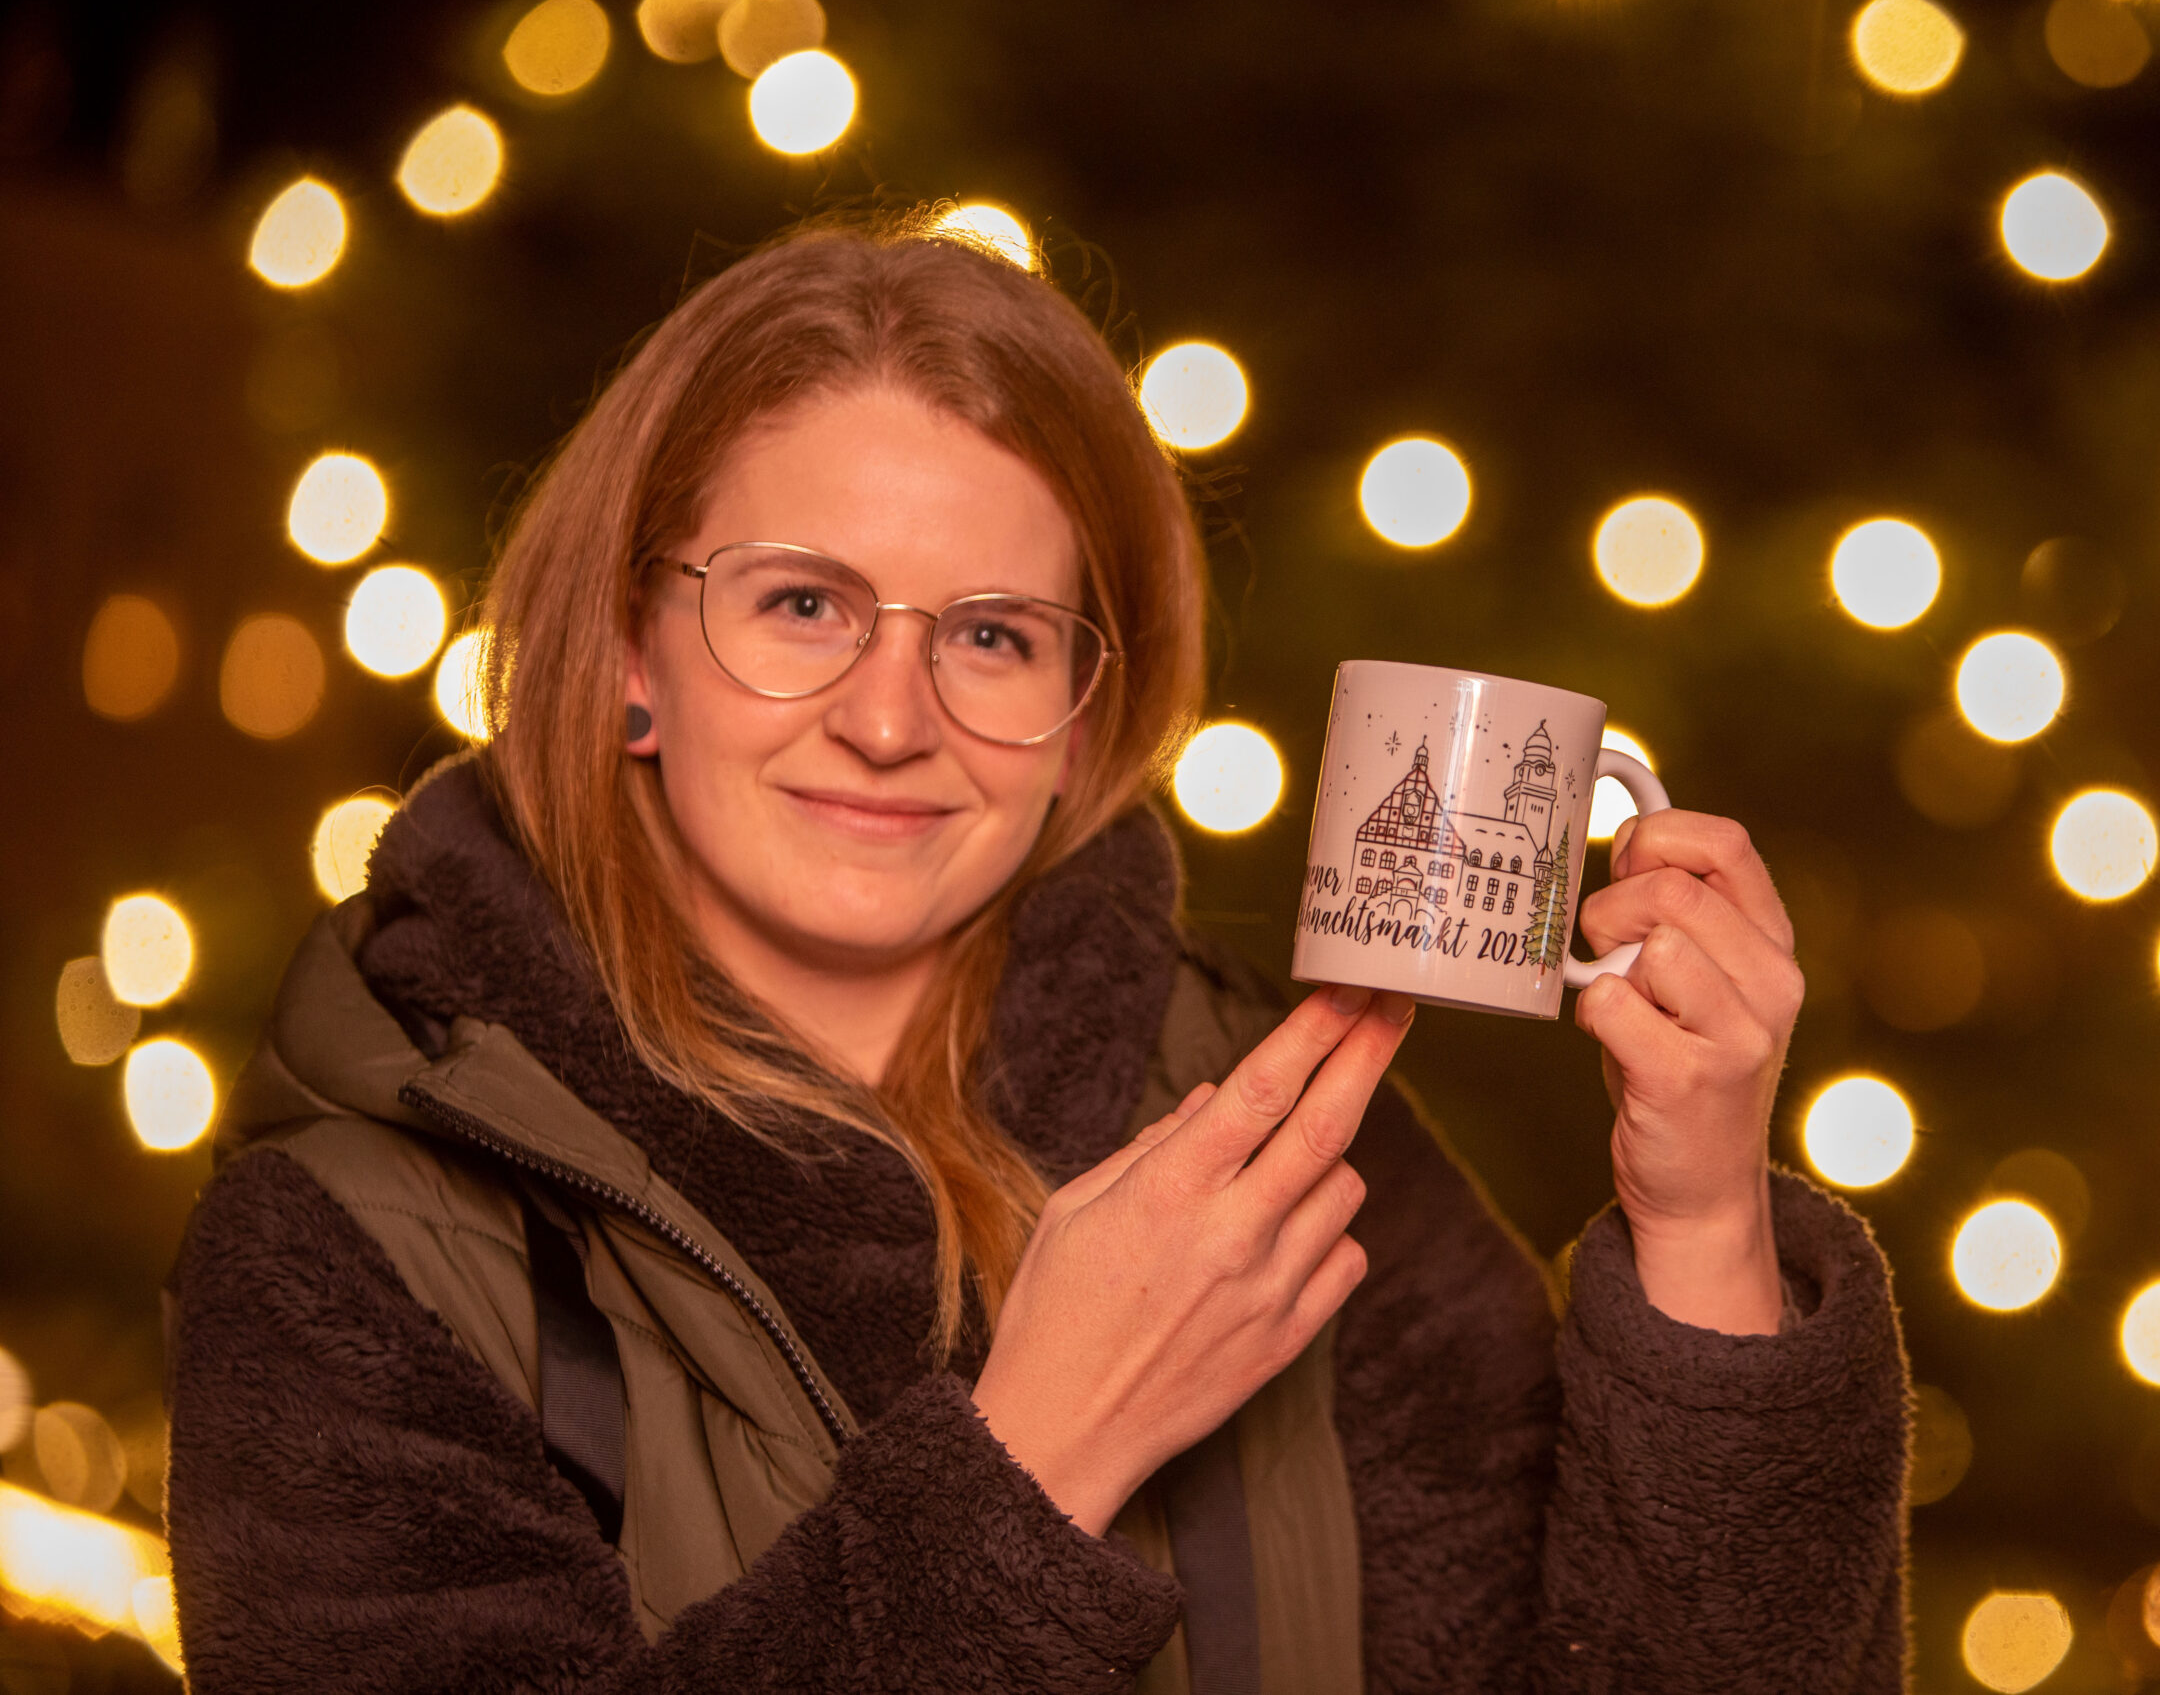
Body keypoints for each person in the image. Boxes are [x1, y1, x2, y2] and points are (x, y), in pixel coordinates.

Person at [163, 214, 1911, 1693]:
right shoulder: (349, 1248)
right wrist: (1034, 1465)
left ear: (1087, 717)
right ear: (631, 651)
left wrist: (1700, 1236)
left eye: (991, 636)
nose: (889, 718)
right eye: (802, 605)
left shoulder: (1296, 1153)